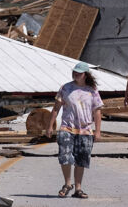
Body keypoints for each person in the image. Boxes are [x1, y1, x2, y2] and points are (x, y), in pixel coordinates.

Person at [46, 61, 104, 199]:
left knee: (81, 159)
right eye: (74, 72)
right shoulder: (65, 88)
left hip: (85, 130)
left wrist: (98, 131)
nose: (75, 74)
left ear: (85, 75)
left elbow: (97, 111)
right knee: (64, 156)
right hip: (67, 127)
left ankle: (78, 188)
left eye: (79, 73)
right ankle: (67, 184)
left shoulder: (92, 90)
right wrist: (50, 126)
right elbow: (56, 108)